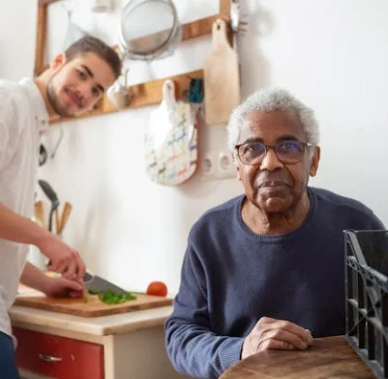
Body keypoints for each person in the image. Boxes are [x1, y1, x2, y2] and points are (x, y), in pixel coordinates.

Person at [165, 88, 385, 379]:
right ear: (238, 166)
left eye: (289, 147)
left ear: (314, 160)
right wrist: (243, 350)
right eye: (253, 149)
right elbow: (181, 336)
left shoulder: (357, 223)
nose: (270, 163)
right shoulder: (209, 235)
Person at [0, 36, 121, 378]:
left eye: (97, 90)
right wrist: (45, 239)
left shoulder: (30, 120)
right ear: (56, 62)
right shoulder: (8, 101)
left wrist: (44, 283)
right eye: (81, 74)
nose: (85, 92)